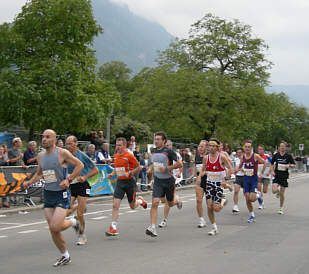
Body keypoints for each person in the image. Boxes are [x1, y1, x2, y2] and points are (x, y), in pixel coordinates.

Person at [23, 129, 84, 267]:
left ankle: (73, 222)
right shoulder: (40, 156)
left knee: (55, 226)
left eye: (47, 137)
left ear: (54, 140)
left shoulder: (62, 153)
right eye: (43, 137)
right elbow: (40, 174)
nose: (44, 139)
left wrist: (69, 179)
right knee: (53, 229)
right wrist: (30, 182)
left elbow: (80, 165)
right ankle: (65, 255)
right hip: (48, 194)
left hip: (61, 194)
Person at [105, 137, 147, 236]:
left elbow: (138, 167)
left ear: (124, 146)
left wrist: (129, 173)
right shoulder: (115, 155)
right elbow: (116, 167)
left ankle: (140, 201)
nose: (117, 147)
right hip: (120, 182)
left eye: (119, 145)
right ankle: (113, 227)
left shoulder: (129, 156)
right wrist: (112, 173)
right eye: (116, 145)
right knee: (115, 205)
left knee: (132, 206)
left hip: (129, 182)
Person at [145, 132, 183, 237]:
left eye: (158, 139)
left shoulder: (169, 151)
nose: (156, 141)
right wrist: (150, 169)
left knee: (170, 203)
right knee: (155, 202)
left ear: (163, 141)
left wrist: (166, 168)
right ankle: (152, 227)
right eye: (155, 139)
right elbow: (154, 163)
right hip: (158, 180)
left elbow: (180, 164)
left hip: (168, 180)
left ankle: (177, 200)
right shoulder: (152, 151)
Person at [65, 136, 99, 245]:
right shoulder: (65, 155)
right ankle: (80, 206)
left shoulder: (82, 156)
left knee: (80, 214)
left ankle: (82, 235)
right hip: (71, 185)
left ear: (76, 144)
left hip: (82, 185)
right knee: (66, 212)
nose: (68, 146)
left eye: (70, 143)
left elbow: (95, 170)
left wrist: (84, 177)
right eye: (67, 144)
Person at [199, 138, 232, 236]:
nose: (212, 148)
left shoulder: (222, 157)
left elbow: (230, 169)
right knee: (209, 206)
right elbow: (203, 169)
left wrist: (224, 179)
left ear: (217, 147)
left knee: (216, 209)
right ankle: (214, 227)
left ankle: (222, 201)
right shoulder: (206, 158)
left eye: (214, 146)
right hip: (209, 184)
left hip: (218, 185)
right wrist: (201, 176)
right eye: (210, 146)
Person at [236, 140, 266, 223]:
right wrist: (240, 170)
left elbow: (264, 163)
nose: (247, 148)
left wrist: (261, 173)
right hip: (246, 179)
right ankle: (252, 215)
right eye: (245, 147)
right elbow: (240, 166)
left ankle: (258, 195)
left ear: (251, 148)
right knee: (247, 199)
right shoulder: (242, 157)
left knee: (252, 199)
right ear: (244, 148)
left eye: (249, 147)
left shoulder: (255, 156)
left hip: (253, 180)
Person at [158, 140, 183, 228]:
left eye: (169, 145)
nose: (167, 146)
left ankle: (164, 220)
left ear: (171, 146)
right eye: (166, 145)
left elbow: (181, 164)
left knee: (168, 202)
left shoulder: (175, 154)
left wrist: (179, 172)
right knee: (163, 200)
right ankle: (177, 200)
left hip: (172, 178)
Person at [270, 141, 296, 214]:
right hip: (277, 175)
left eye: (283, 146)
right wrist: (272, 171)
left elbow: (294, 165)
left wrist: (289, 165)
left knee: (282, 193)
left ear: (286, 148)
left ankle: (281, 208)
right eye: (281, 146)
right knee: (274, 190)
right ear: (279, 147)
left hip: (284, 176)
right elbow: (271, 164)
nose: (282, 147)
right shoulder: (276, 155)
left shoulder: (288, 156)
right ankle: (277, 192)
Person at [189, 140, 208, 228]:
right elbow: (196, 166)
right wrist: (193, 175)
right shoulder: (197, 155)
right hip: (200, 181)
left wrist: (201, 175)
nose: (200, 148)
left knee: (211, 205)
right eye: (199, 146)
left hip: (209, 180)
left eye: (202, 146)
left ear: (206, 148)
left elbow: (208, 170)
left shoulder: (208, 157)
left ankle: (221, 200)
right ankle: (201, 220)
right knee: (198, 200)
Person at [257, 145, 272, 209]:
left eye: (261, 149)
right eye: (259, 149)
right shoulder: (256, 156)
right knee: (259, 189)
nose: (260, 150)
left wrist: (270, 172)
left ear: (263, 150)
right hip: (259, 175)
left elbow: (272, 164)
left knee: (265, 191)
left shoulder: (267, 156)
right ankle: (261, 203)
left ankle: (266, 187)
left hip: (266, 175)